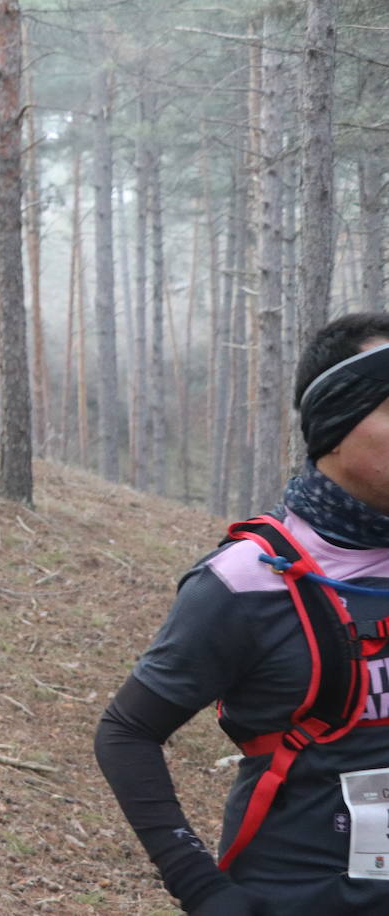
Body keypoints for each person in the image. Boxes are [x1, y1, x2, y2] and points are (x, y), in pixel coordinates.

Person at [96, 312, 389, 915]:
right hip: (294, 897)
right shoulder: (244, 583)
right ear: (336, 423)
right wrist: (202, 890)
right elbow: (127, 732)